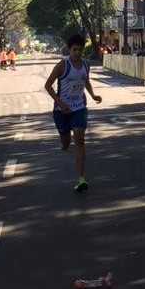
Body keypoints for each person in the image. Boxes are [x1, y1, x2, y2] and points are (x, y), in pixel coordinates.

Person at [45, 35, 103, 192]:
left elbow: (86, 81)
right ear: (69, 49)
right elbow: (48, 85)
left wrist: (93, 95)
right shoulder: (62, 65)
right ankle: (64, 141)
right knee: (66, 143)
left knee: (80, 139)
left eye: (80, 50)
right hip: (62, 110)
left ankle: (81, 179)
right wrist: (59, 102)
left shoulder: (85, 63)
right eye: (74, 50)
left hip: (79, 107)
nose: (77, 53)